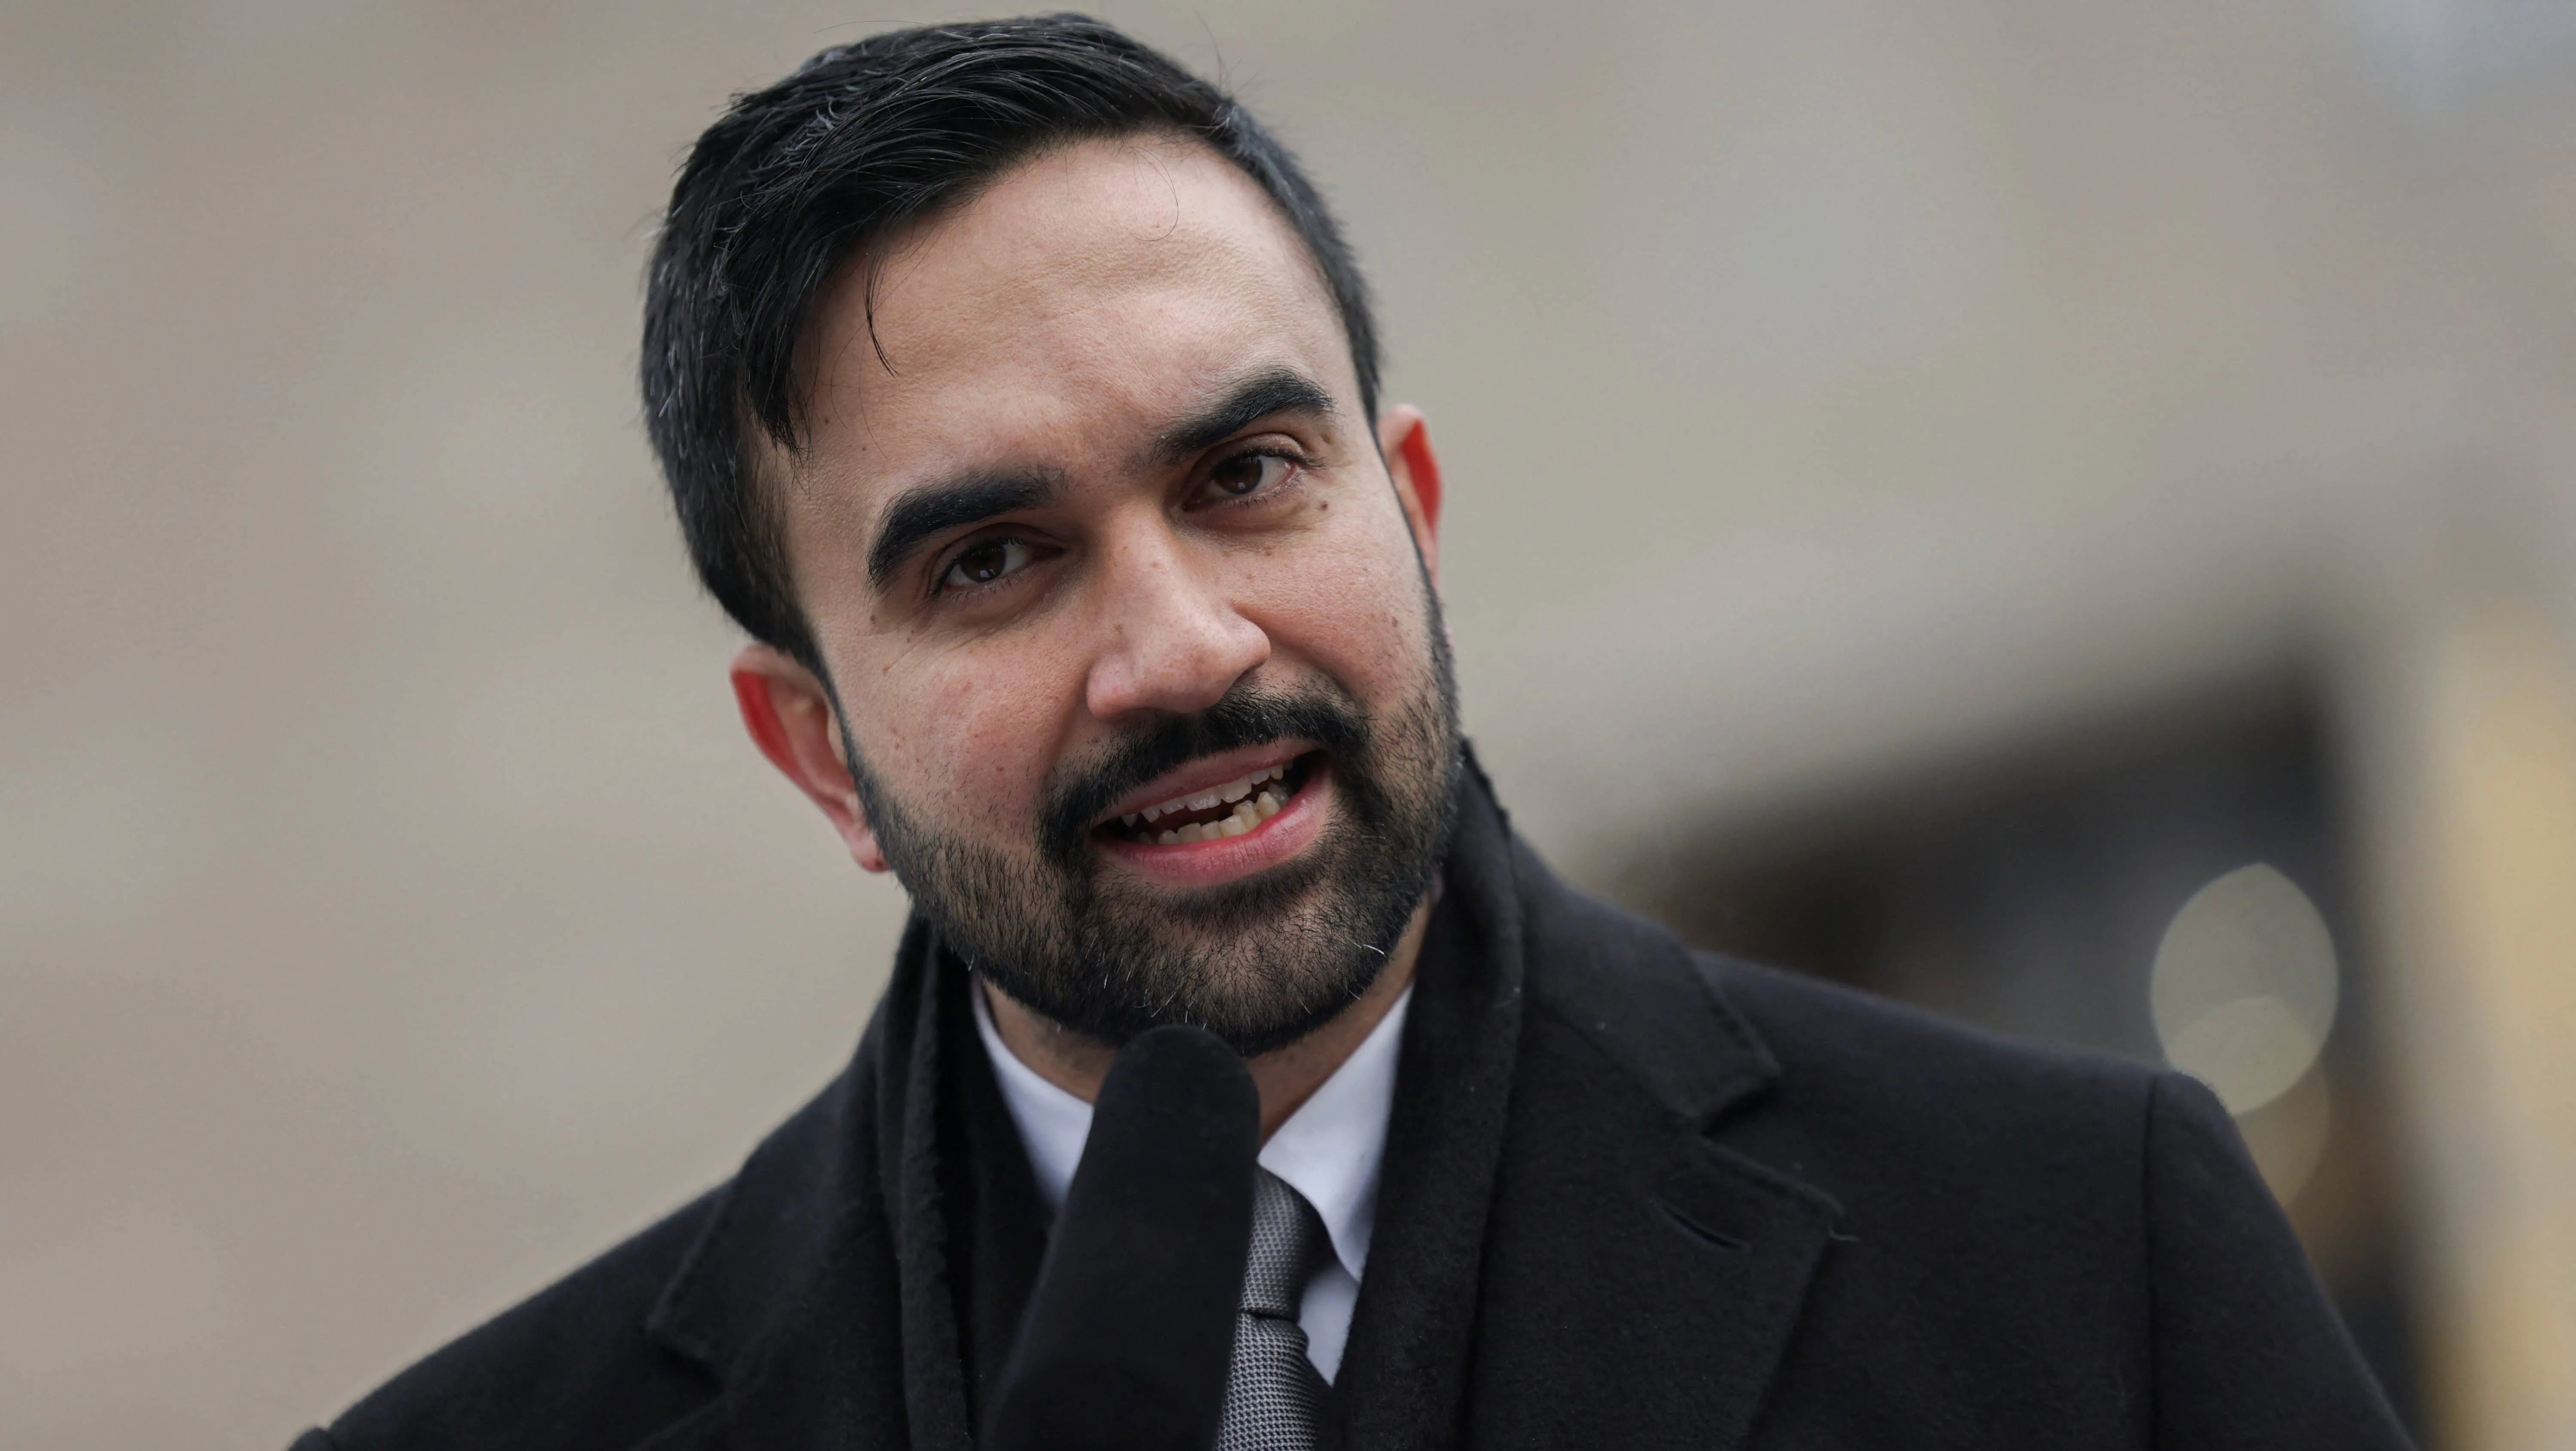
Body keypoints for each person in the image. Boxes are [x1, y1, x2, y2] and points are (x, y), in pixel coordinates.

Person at [290, 14, 2413, 1450]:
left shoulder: (2081, 1250)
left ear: (1408, 504)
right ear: (818, 750)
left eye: (1245, 479)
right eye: (996, 563)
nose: (1182, 647)